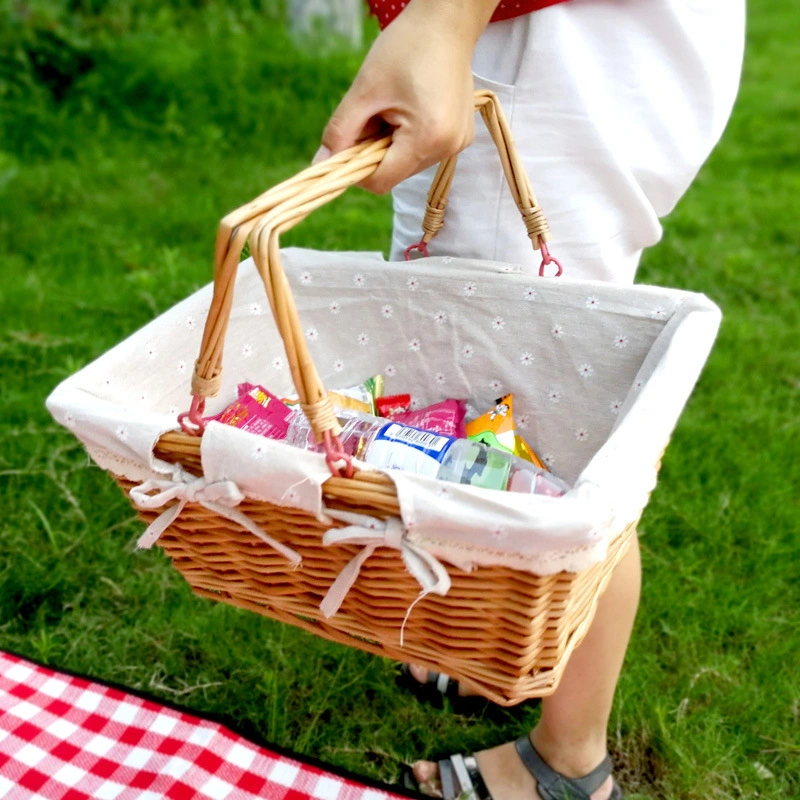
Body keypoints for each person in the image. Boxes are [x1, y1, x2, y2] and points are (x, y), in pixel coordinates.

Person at [313, 1, 746, 798]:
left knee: (521, 443)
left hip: (537, 45)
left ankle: (566, 763)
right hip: (582, 43)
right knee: (504, 417)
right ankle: (501, 665)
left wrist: (444, 21)